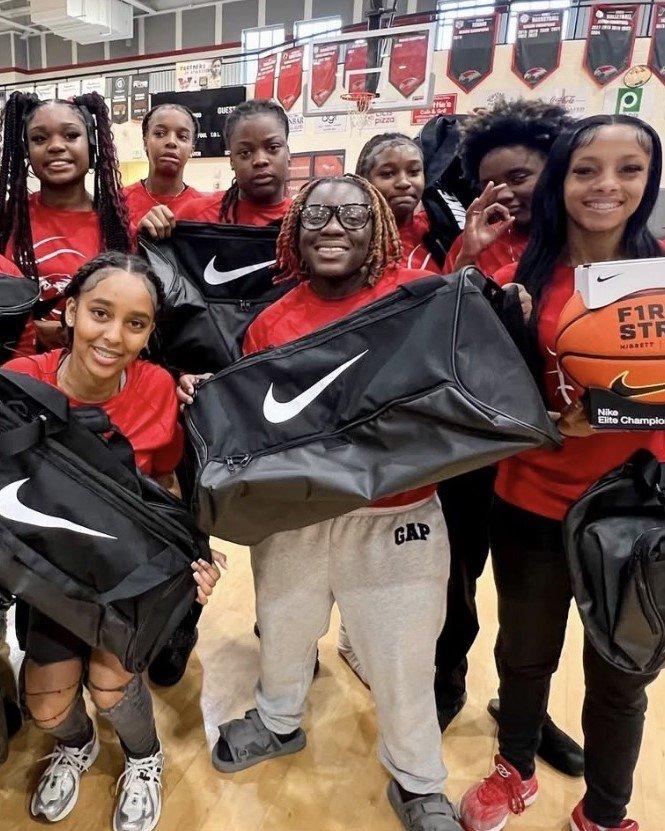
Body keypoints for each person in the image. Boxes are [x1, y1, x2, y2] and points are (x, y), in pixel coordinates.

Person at [179, 174, 463, 831]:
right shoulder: (270, 322)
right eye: (316, 217)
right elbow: (259, 417)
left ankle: (419, 781)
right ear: (294, 233)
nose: (333, 227)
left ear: (378, 229)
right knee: (282, 628)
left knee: (402, 656)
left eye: (352, 216)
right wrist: (210, 393)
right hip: (298, 514)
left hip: (398, 514)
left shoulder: (416, 300)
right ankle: (278, 720)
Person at [459, 114, 665, 831]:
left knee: (622, 674)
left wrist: (620, 407)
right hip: (531, 496)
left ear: (649, 180)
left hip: (638, 504)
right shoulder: (519, 279)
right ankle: (513, 767)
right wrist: (550, 421)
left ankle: (604, 811)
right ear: (561, 181)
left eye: (628, 169)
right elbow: (471, 388)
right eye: (586, 170)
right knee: (524, 655)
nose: (606, 185)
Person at [3, 252, 225, 831]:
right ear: (71, 311)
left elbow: (166, 487)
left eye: (135, 323)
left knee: (110, 686)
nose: (113, 336)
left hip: (123, 570)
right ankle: (76, 746)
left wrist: (193, 557)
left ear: (150, 334)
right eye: (100, 313)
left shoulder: (158, 387)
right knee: (46, 705)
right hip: (49, 569)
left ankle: (143, 756)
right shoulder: (20, 380)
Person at [432, 99, 583, 778]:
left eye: (520, 176)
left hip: (557, 459)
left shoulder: (588, 247)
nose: (507, 192)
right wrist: (466, 253)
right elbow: (435, 338)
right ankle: (446, 682)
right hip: (474, 452)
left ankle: (526, 713)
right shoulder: (474, 243)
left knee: (535, 611)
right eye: (491, 181)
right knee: (456, 584)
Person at [0, 91, 132, 351]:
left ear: (92, 144)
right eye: (39, 138)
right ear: (26, 151)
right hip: (15, 369)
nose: (56, 146)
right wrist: (32, 329)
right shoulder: (7, 220)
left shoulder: (117, 226)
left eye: (71, 135)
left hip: (93, 365)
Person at [443, 99, 573, 276]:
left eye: (518, 179)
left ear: (556, 170)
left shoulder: (586, 236)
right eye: (489, 185)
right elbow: (450, 292)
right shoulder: (471, 243)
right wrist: (467, 258)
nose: (502, 194)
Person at [140, 99, 292, 239]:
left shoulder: (301, 221)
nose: (260, 160)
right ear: (231, 160)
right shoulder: (195, 216)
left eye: (273, 147)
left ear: (288, 153)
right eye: (245, 152)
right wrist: (146, 236)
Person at [356, 132, 434, 269]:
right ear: (364, 182)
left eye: (414, 171)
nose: (404, 182)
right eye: (388, 173)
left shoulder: (438, 229)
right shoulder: (354, 241)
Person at [125, 103, 203, 239]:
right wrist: (139, 237)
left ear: (192, 149)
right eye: (160, 134)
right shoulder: (119, 202)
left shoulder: (203, 207)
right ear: (145, 142)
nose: (171, 142)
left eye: (182, 136)